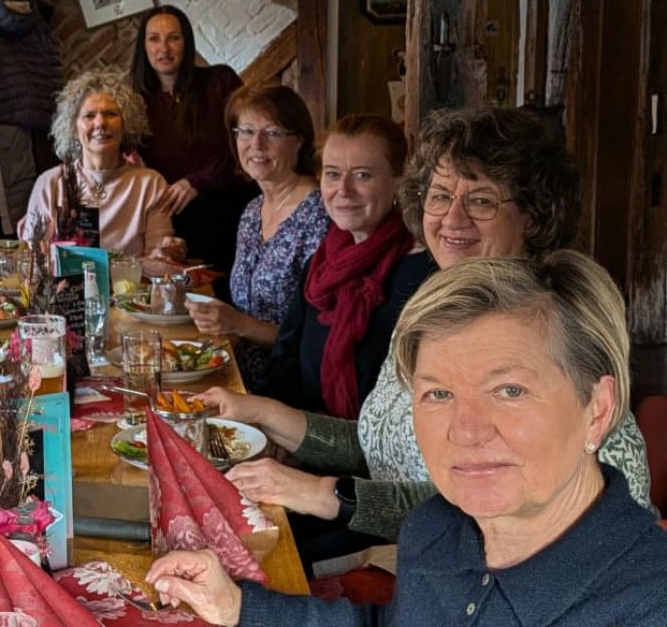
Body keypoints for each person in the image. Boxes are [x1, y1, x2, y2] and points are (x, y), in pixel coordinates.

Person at [197, 108, 650, 558]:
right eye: (440, 196)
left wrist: (322, 493)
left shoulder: (548, 329)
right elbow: (381, 446)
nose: (452, 219)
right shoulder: (436, 310)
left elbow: (491, 506)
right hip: (406, 548)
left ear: (532, 215)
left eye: (481, 201)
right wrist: (264, 414)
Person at [149, 251, 667, 625]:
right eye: (438, 394)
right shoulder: (436, 530)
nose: (465, 430)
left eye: (509, 391)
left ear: (597, 410)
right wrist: (240, 607)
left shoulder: (646, 603)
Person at [267, 115, 435, 418]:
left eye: (362, 175)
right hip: (297, 433)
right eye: (332, 174)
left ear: (399, 181)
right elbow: (284, 359)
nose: (343, 190)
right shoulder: (323, 261)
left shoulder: (423, 276)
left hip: (363, 444)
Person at [186, 84, 330, 394]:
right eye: (247, 131)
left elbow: (317, 339)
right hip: (237, 378)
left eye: (272, 133)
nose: (256, 144)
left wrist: (237, 324)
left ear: (299, 140)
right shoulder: (253, 211)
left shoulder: (320, 213)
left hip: (289, 391)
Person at [131, 5, 253, 301]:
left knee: (230, 298)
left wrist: (197, 181)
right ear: (143, 47)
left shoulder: (219, 81)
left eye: (173, 38)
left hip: (229, 210)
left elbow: (247, 140)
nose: (164, 48)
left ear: (186, 43)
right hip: (175, 222)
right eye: (154, 39)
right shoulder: (137, 102)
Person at [22, 68, 183, 258]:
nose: (100, 123)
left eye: (110, 114)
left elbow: (159, 259)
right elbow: (33, 260)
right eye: (89, 116)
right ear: (73, 128)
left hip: (132, 278)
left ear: (126, 124)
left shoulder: (150, 184)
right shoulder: (50, 183)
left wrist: (168, 251)